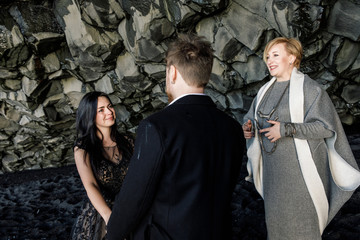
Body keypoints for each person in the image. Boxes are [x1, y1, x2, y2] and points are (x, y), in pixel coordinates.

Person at [107, 33, 246, 240]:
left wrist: (112, 234)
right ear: (205, 75)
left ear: (172, 72)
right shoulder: (233, 128)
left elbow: (135, 198)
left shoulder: (156, 127)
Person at [242, 37, 360, 239]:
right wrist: (248, 128)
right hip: (273, 178)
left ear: (292, 57)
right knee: (276, 232)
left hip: (301, 180)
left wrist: (287, 129)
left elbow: (325, 128)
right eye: (267, 56)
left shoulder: (311, 89)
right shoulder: (263, 92)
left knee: (303, 231)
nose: (269, 60)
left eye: (276, 55)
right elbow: (251, 117)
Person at [70, 91, 133, 240]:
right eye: (101, 110)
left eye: (109, 106)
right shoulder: (83, 148)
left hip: (129, 205)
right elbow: (90, 184)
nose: (109, 111)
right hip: (102, 210)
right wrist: (109, 217)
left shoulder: (128, 141)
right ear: (90, 116)